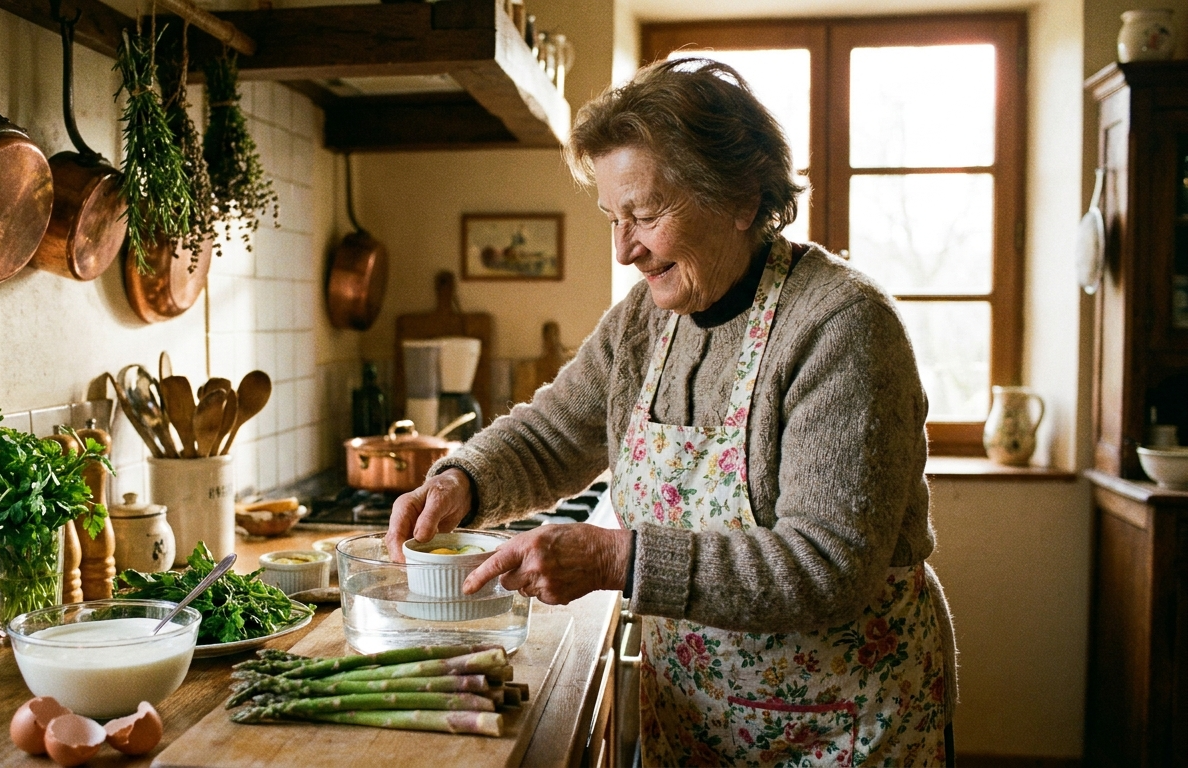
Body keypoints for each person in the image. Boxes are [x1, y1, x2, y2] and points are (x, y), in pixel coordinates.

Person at [386, 57, 956, 766]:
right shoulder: (644, 321)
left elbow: (827, 565)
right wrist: (460, 480)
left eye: (646, 215)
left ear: (740, 198)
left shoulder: (841, 325)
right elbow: (555, 431)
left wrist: (616, 558)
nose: (624, 249)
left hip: (840, 727)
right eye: (613, 219)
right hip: (697, 721)